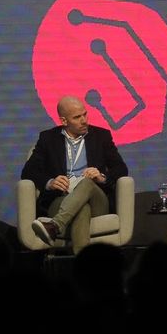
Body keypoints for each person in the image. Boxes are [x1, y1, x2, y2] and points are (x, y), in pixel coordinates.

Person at [23, 95, 129, 254]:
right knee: (81, 209)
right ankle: (84, 268)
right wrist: (50, 182)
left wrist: (101, 176)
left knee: (86, 183)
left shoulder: (101, 136)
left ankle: (55, 225)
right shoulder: (48, 139)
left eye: (85, 114)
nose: (84, 120)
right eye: (77, 117)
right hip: (61, 198)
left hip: (96, 199)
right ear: (64, 121)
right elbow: (28, 171)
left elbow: (121, 168)